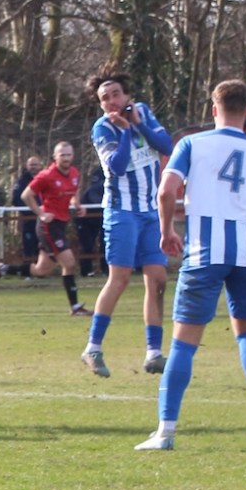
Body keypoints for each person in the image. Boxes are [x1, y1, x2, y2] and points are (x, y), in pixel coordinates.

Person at [135, 80, 246, 451]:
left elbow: (166, 191)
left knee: (184, 344)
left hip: (205, 253)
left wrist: (167, 231)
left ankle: (165, 432)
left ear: (213, 109)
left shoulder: (192, 144)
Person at [82, 68, 174, 378]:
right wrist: (124, 132)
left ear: (127, 96)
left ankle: (154, 353)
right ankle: (93, 348)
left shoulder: (142, 112)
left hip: (150, 211)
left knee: (158, 279)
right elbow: (117, 167)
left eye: (115, 94)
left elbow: (166, 145)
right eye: (104, 98)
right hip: (121, 211)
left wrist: (138, 124)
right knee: (119, 278)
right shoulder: (102, 128)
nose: (111, 101)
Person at [0, 142, 93, 316]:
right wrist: (41, 213)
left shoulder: (74, 173)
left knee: (41, 270)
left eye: (69, 155)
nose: (66, 158)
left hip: (61, 224)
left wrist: (76, 204)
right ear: (55, 157)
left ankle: (2, 269)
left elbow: (74, 190)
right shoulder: (46, 175)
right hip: (48, 226)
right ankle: (75, 307)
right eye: (62, 155)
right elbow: (26, 195)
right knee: (69, 262)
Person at [75, 167, 108, 276]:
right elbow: (93, 194)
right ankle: (86, 271)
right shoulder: (98, 174)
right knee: (87, 245)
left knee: (105, 243)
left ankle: (105, 270)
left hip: (103, 216)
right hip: (86, 218)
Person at [12, 156, 43, 261]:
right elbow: (16, 199)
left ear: (40, 166)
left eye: (35, 165)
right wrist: (30, 210)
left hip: (43, 219)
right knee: (28, 248)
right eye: (31, 165)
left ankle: (41, 269)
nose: (33, 167)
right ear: (27, 166)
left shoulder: (44, 179)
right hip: (28, 220)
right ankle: (28, 269)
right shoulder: (21, 181)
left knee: (42, 247)